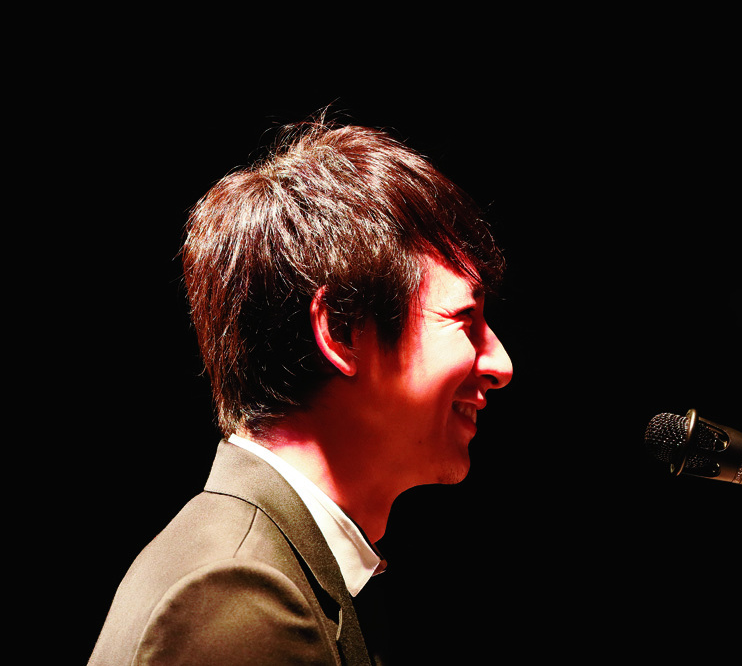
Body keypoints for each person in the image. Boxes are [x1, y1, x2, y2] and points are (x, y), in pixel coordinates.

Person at [88, 118, 514, 665]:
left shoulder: (273, 566)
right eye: (464, 319)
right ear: (341, 329)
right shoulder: (236, 597)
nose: (501, 364)